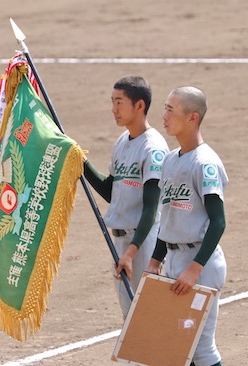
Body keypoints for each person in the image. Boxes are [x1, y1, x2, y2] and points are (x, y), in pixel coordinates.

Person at [148, 86, 228, 366]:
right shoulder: (170, 159)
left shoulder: (205, 164)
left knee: (201, 349)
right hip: (174, 261)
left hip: (199, 265)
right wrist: (155, 260)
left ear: (192, 118)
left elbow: (218, 222)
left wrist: (194, 269)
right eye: (165, 108)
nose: (164, 116)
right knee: (178, 346)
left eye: (171, 109)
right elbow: (167, 217)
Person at [83, 75, 169, 318]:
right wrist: (82, 164)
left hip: (142, 242)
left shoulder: (153, 148)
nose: (114, 110)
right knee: (130, 317)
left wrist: (130, 254)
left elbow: (150, 210)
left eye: (119, 102)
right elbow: (112, 191)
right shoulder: (122, 142)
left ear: (139, 105)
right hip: (121, 242)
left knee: (147, 317)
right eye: (112, 102)